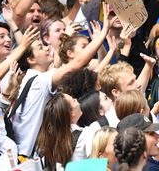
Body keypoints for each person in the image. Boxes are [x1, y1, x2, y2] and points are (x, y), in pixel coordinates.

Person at [10, 16, 113, 157]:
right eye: (41, 47)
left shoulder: (32, 78)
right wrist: (104, 31)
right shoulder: (39, 81)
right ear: (31, 59)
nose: (47, 48)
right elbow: (79, 62)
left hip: (27, 153)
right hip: (28, 156)